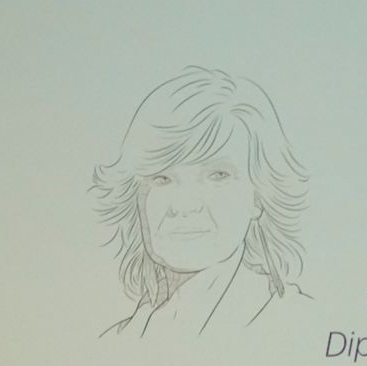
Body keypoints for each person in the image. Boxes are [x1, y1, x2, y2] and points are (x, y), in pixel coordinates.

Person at [91, 66, 310, 338]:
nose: (184, 205)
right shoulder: (119, 339)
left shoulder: (293, 321)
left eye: (218, 175)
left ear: (258, 196)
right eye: (162, 178)